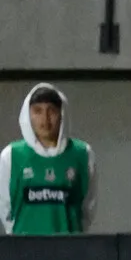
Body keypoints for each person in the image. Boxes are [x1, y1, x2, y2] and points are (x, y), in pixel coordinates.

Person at [0, 83, 97, 235]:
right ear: (27, 114)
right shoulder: (11, 156)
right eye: (37, 111)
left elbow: (87, 208)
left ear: (62, 113)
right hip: (24, 252)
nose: (45, 118)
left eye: (51, 110)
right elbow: (5, 209)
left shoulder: (83, 154)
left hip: (70, 251)